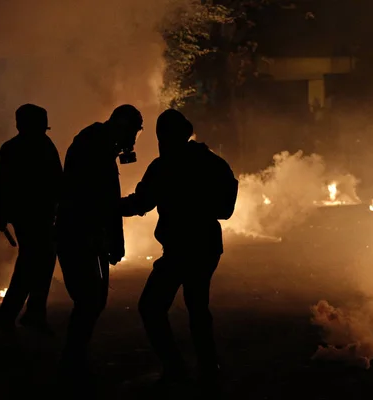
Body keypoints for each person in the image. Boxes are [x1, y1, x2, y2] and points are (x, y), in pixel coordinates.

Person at [121, 109, 238, 389]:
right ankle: (208, 368)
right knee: (198, 307)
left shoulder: (164, 166)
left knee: (151, 307)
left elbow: (141, 203)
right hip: (207, 246)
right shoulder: (213, 163)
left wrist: (108, 206)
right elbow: (226, 208)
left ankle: (176, 369)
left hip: (179, 249)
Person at [56, 104, 143, 375]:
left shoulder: (98, 144)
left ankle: (75, 358)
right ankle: (72, 362)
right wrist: (113, 238)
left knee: (93, 299)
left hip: (84, 232)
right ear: (122, 125)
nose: (133, 140)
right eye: (134, 132)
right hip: (79, 232)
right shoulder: (95, 147)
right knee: (90, 299)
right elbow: (101, 200)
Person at [0, 103, 62, 335]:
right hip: (32, 217)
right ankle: (18, 313)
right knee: (34, 262)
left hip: (37, 216)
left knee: (37, 262)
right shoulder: (29, 147)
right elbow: (1, 185)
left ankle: (27, 313)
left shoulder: (15, 148)